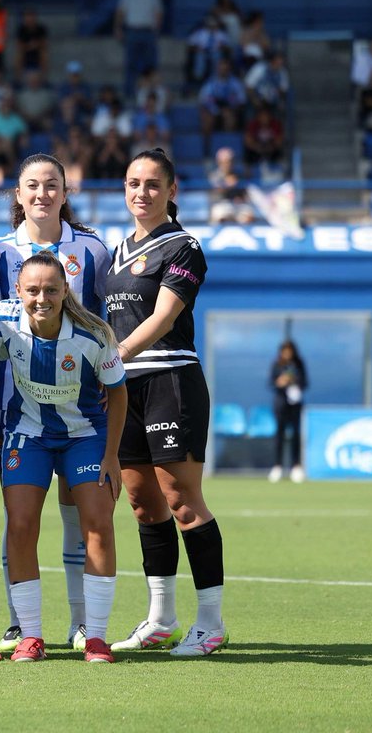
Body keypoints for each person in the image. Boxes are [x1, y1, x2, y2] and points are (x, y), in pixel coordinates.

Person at [104, 148, 226, 657]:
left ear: (171, 192)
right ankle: (162, 619)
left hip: (171, 380)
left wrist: (112, 356)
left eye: (153, 184)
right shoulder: (116, 251)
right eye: (134, 182)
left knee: (182, 502)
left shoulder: (184, 246)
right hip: (127, 388)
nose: (142, 192)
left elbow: (163, 318)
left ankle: (212, 623)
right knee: (143, 504)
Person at [0, 153, 111, 654]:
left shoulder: (94, 249)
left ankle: (86, 625)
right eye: (32, 186)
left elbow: (104, 320)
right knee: (15, 517)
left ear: (65, 192)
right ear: (17, 195)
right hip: (19, 406)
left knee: (80, 518)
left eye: (51, 185)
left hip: (82, 408)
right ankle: (23, 625)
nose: (42, 194)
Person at [115, 0, 163, 97]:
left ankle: (150, 93)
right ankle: (130, 93)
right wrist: (118, 28)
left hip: (148, 31)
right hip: (132, 31)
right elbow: (121, 12)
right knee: (130, 64)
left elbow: (158, 14)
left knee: (150, 65)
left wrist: (156, 31)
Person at [269, 340, 308, 484]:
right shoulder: (277, 364)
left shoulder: (299, 364)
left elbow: (305, 382)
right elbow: (271, 382)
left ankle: (296, 466)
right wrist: (281, 382)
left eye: (289, 350)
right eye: (284, 350)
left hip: (295, 405)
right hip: (281, 404)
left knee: (295, 434)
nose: (287, 353)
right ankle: (277, 466)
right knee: (280, 434)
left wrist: (294, 381)